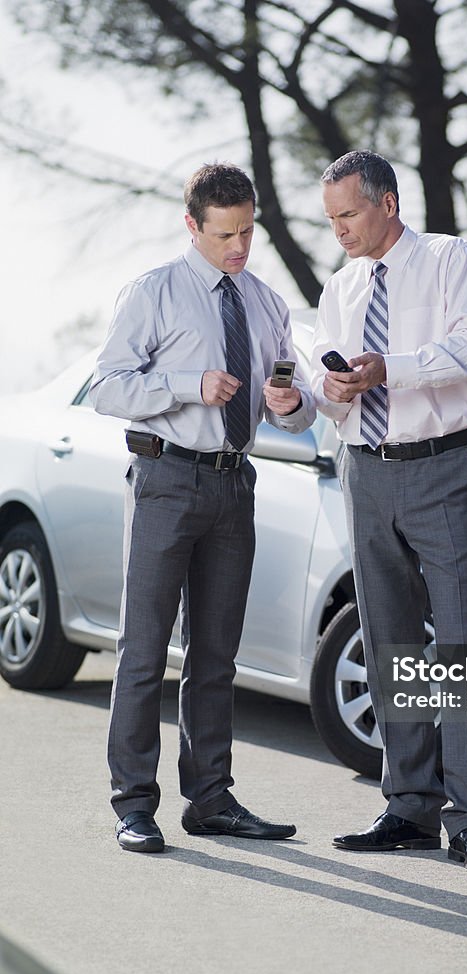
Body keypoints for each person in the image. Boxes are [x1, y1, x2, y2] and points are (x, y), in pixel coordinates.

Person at [91, 162, 315, 853]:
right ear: (193, 226)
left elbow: (295, 401)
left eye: (247, 232)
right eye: (225, 235)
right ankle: (134, 805)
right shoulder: (154, 292)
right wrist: (190, 385)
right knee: (143, 646)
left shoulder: (267, 303)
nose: (239, 248)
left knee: (217, 654)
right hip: (164, 479)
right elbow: (107, 388)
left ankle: (210, 799)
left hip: (233, 484)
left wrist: (291, 403)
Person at [311, 150, 467, 873]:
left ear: (387, 204)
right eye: (330, 218)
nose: (339, 230)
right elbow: (325, 383)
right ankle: (409, 807)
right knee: (390, 638)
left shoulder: (450, 259)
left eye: (349, 214)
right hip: (364, 471)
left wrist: (389, 369)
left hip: (443, 469)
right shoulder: (340, 287)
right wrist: (320, 392)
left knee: (458, 645)